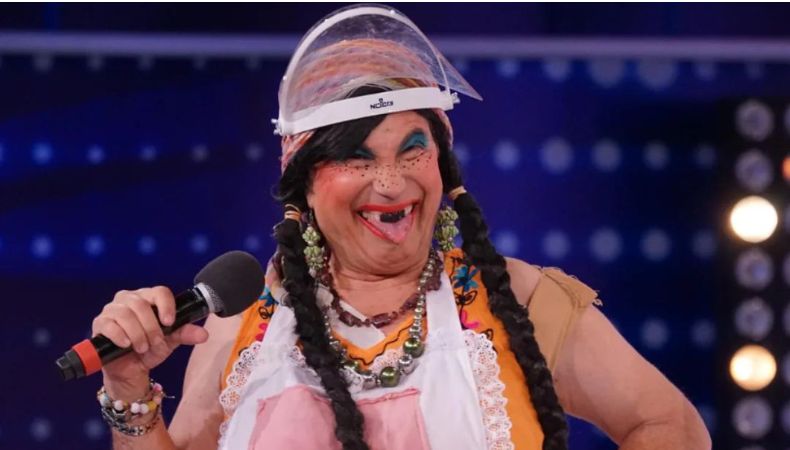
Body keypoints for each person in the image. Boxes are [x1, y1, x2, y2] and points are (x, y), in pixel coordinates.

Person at [90, 4, 711, 450]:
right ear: (304, 184)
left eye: (413, 151)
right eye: (357, 157)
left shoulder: (518, 302)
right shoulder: (241, 326)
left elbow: (670, 426)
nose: (390, 183)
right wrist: (127, 387)